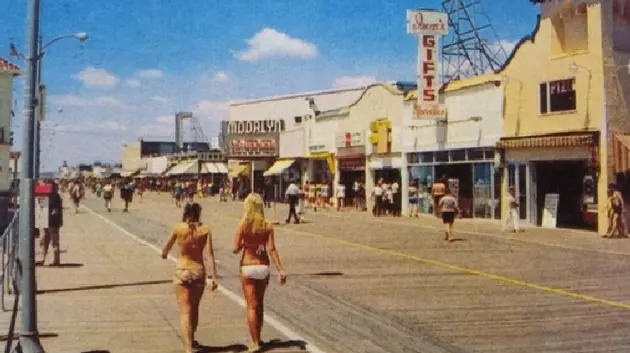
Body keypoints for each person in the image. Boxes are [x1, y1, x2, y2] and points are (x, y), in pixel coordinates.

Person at [161, 203, 219, 353]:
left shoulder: (178, 228)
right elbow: (210, 255)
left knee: (184, 311)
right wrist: (214, 276)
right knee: (194, 309)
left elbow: (166, 248)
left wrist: (165, 254)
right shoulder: (205, 230)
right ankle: (191, 339)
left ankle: (188, 348)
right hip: (198, 272)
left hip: (182, 271)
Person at [232, 193, 286, 352]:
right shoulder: (267, 225)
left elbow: (235, 248)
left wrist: (245, 244)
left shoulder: (243, 224)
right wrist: (280, 270)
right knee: (259, 304)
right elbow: (272, 249)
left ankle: (255, 342)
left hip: (248, 266)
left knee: (251, 306)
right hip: (263, 267)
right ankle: (259, 338)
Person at [39, 182, 63, 265]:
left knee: (54, 241)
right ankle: (42, 258)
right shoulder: (42, 195)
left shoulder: (56, 197)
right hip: (44, 221)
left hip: (53, 222)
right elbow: (40, 208)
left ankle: (56, 260)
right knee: (43, 241)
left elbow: (56, 210)